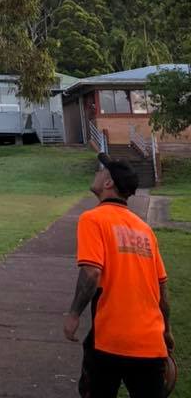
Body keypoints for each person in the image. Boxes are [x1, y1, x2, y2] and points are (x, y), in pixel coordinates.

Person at [63, 152, 174, 398]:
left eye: (101, 170)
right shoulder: (145, 230)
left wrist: (73, 315)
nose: (97, 172)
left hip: (110, 341)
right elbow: (162, 291)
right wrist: (166, 331)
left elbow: (91, 274)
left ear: (108, 183)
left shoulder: (93, 219)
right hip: (151, 344)